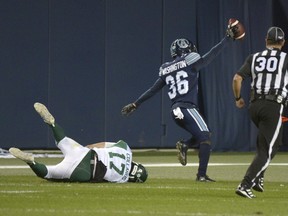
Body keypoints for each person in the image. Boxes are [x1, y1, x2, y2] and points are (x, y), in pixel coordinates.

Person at [121, 20, 243, 182]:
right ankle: (201, 175)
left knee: (204, 135)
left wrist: (136, 103)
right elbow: (210, 57)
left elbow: (153, 90)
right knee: (206, 137)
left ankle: (185, 145)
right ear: (187, 49)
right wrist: (227, 40)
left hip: (175, 111)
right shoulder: (190, 60)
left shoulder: (166, 68)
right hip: (187, 107)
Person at [9, 102, 148, 183]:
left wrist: (88, 148)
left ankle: (52, 124)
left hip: (87, 154)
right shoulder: (122, 179)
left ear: (136, 164)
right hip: (85, 172)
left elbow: (103, 144)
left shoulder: (125, 149)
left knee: (62, 141)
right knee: (49, 174)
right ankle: (31, 162)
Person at [232, 27, 288, 198]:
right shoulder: (285, 59)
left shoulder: (254, 57)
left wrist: (238, 98)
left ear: (266, 41)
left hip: (255, 106)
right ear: (283, 42)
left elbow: (237, 78)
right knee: (266, 149)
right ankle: (246, 184)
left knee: (274, 143)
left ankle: (259, 178)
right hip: (273, 105)